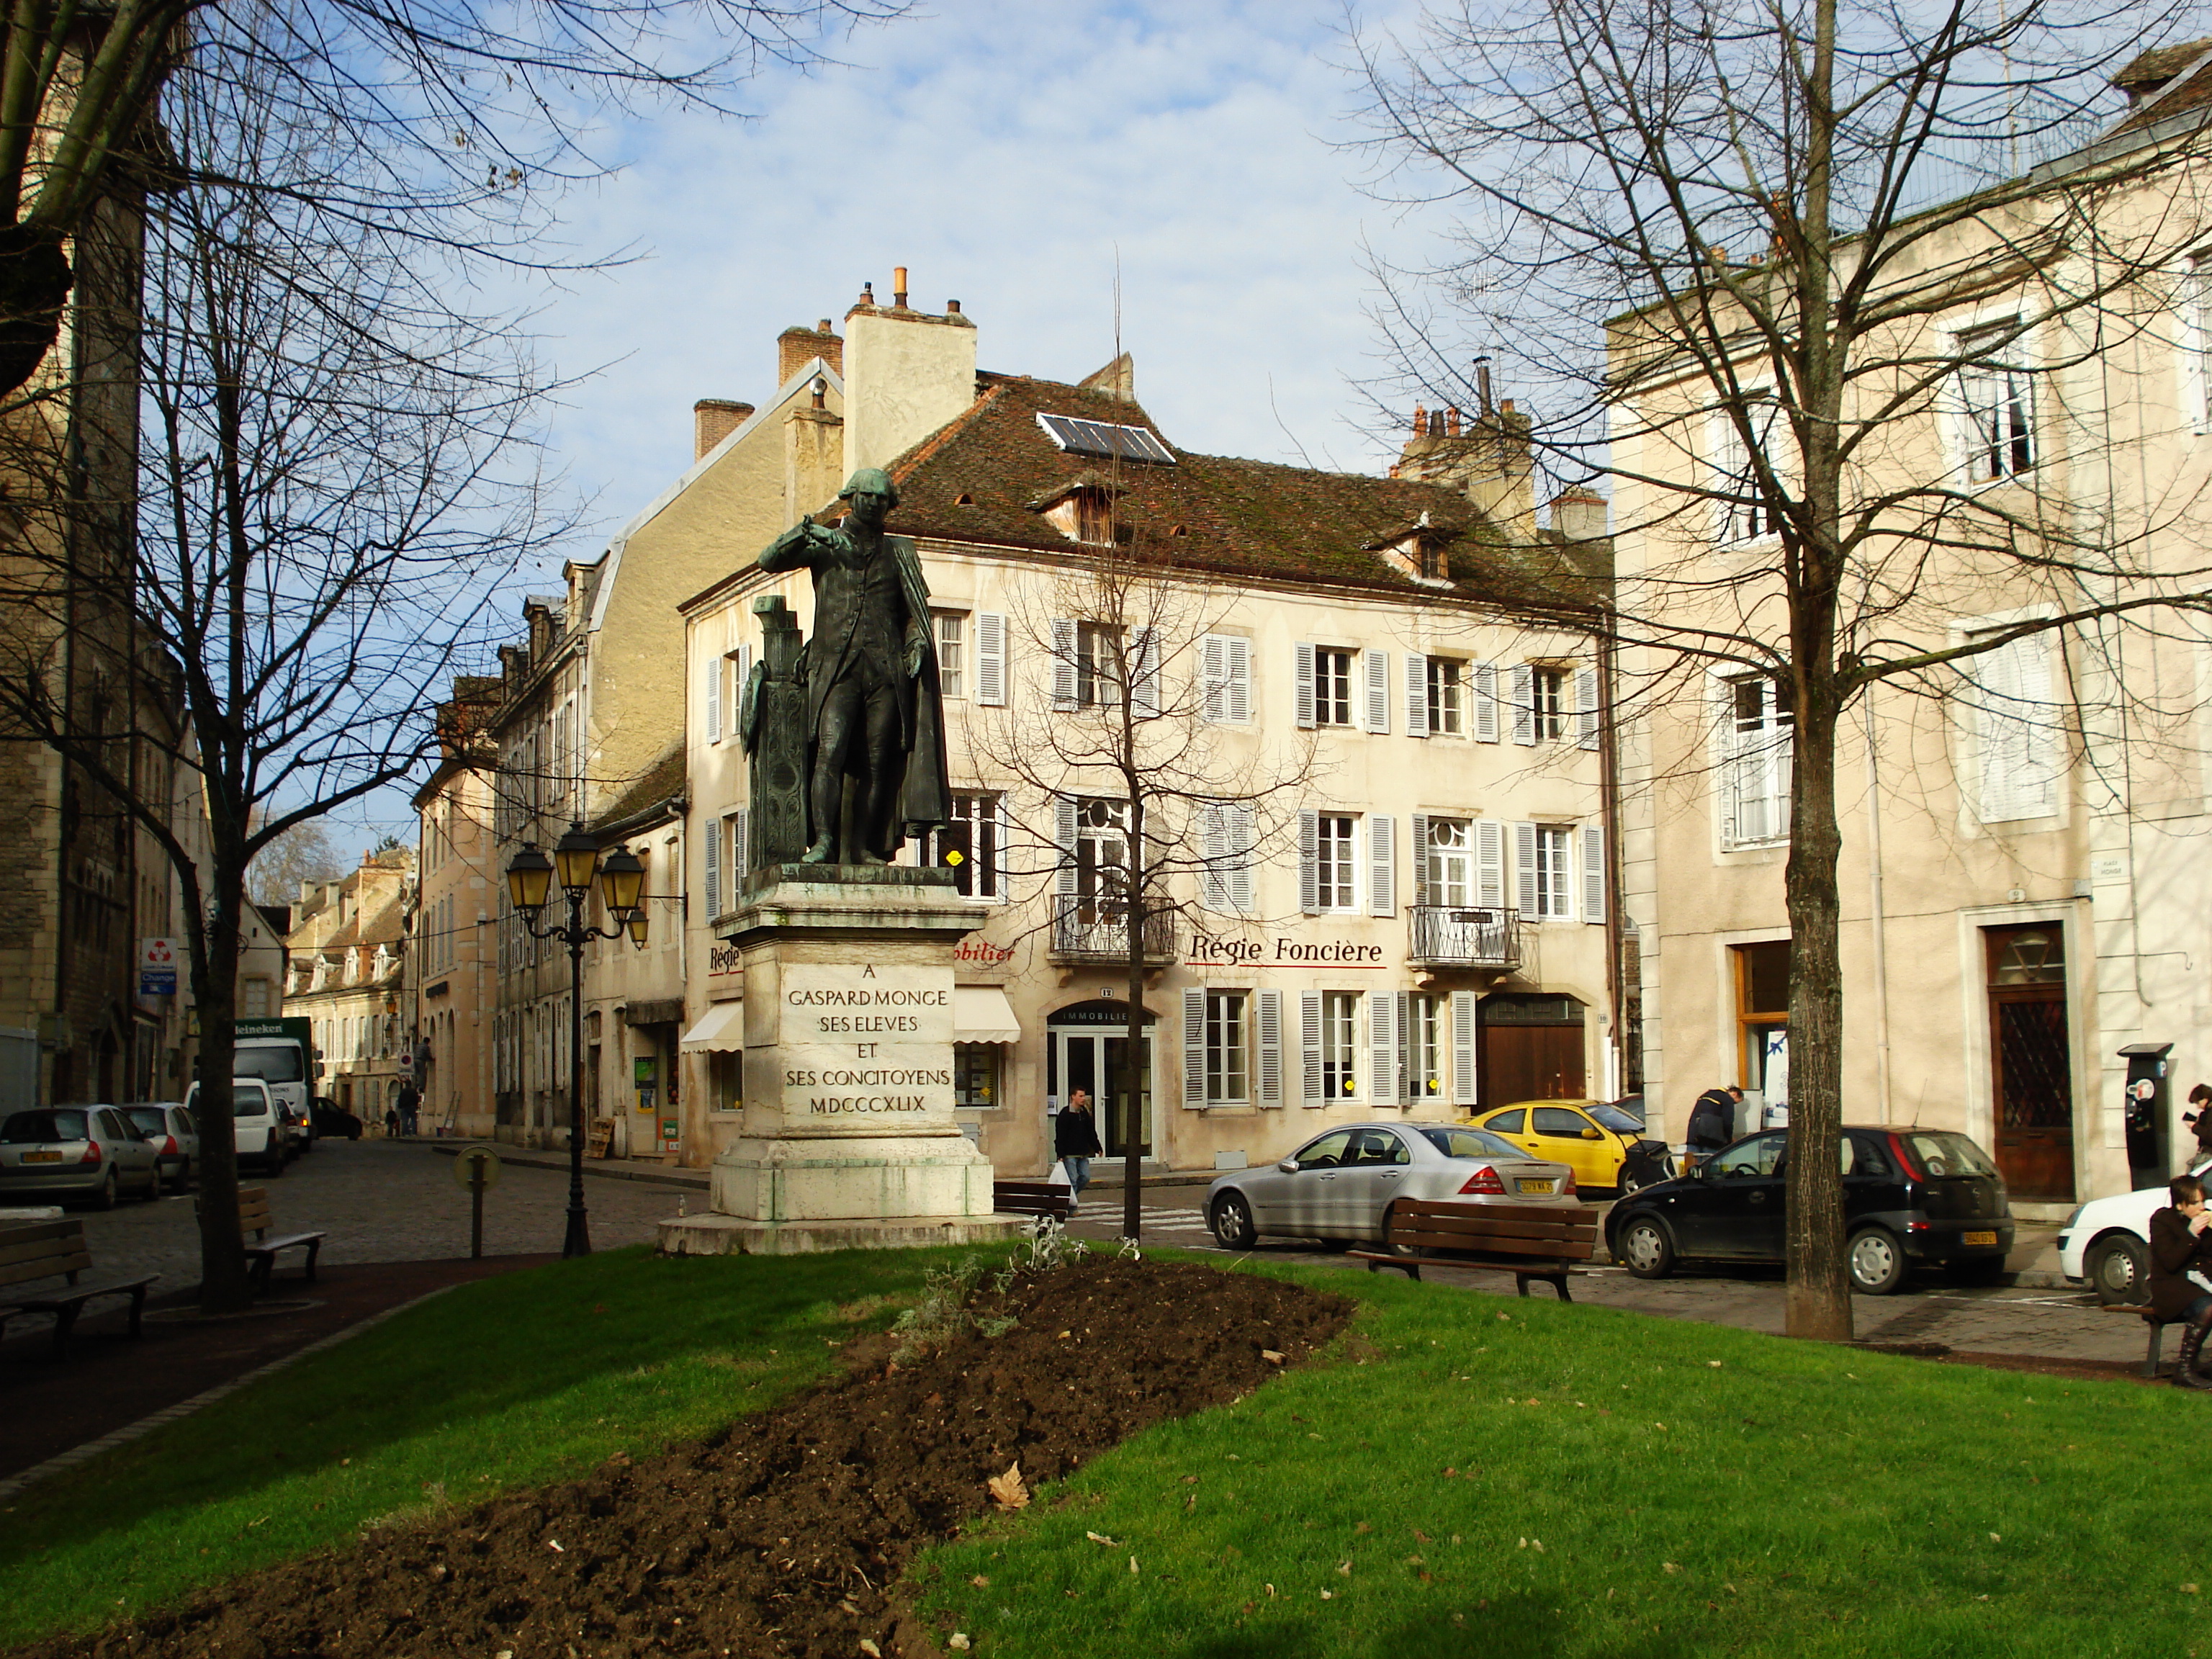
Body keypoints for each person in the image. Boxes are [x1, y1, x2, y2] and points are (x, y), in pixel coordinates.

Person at [755, 467, 953, 866]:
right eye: (868, 496)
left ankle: (864, 845)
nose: (876, 504)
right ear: (852, 497)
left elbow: (912, 611)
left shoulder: (900, 551)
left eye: (883, 499)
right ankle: (825, 841)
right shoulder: (827, 544)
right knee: (831, 750)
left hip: (885, 671)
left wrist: (915, 641)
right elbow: (768, 561)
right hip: (835, 667)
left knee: (877, 763)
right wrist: (806, 531)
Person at [2151, 1173, 2212, 1390]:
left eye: (2203, 1201)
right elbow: (2170, 1262)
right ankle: (2184, 1370)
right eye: (2195, 1203)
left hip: (2199, 1283)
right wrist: (2191, 1234)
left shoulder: (2206, 1220)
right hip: (2171, 1288)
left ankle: (2200, 1366)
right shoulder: (2162, 1221)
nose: (2201, 1207)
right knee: (2208, 1309)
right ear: (2180, 1205)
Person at [1055, 1087, 1102, 1215]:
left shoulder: (1084, 1113)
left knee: (1085, 1177)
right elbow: (1061, 1135)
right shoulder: (1065, 1114)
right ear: (1073, 1097)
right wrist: (1060, 1154)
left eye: (1084, 1096)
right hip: (1069, 1153)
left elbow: (1090, 1132)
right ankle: (1072, 1208)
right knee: (1072, 1179)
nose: (1083, 1099)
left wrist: (1097, 1147)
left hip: (1082, 1152)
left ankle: (1067, 1200)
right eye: (1080, 1096)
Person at [1686, 1085, 1742, 1167]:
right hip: (1711, 1138)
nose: (1733, 1104)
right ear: (1735, 1094)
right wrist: (1729, 1139)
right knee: (1710, 1169)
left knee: (1692, 1167)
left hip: (1693, 1136)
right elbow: (1728, 1122)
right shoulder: (1727, 1098)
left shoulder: (1705, 1095)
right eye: (1735, 1103)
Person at [2184, 1084, 2212, 1163]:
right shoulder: (2207, 1113)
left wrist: (2194, 1127)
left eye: (2198, 1103)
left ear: (2205, 1099)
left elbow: (2210, 1136)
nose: (2198, 1107)